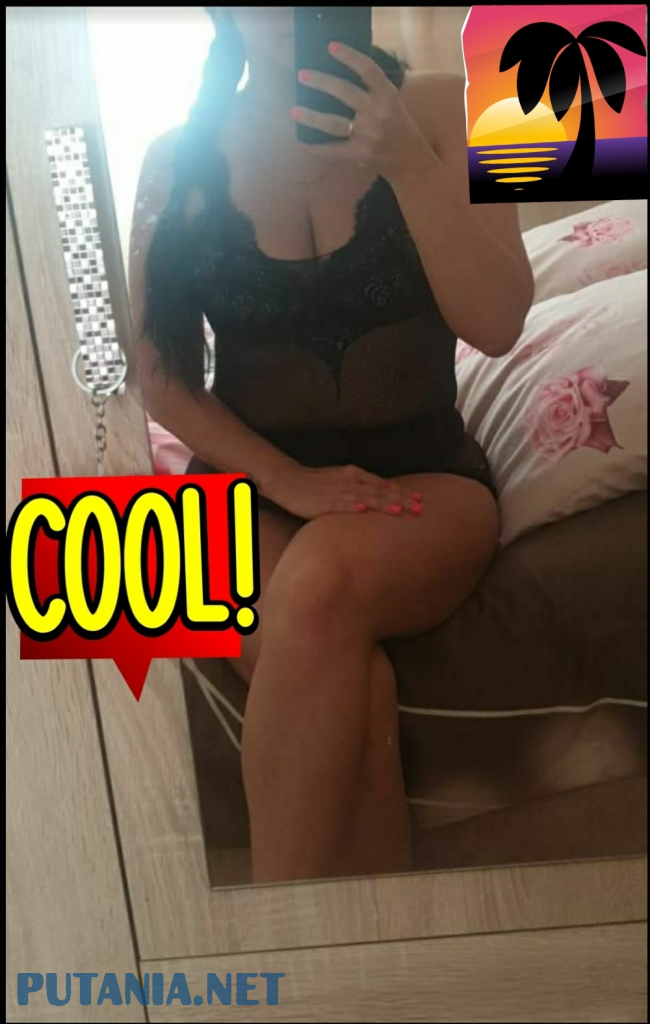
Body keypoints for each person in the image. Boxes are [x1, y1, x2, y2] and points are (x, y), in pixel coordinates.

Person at [129, 6, 534, 884]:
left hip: (426, 480)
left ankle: (274, 950)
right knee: (358, 687)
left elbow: (500, 324)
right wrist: (289, 481)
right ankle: (369, 953)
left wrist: (405, 162)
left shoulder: (448, 109)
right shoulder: (176, 160)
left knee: (319, 586)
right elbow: (160, 377)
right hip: (244, 490)